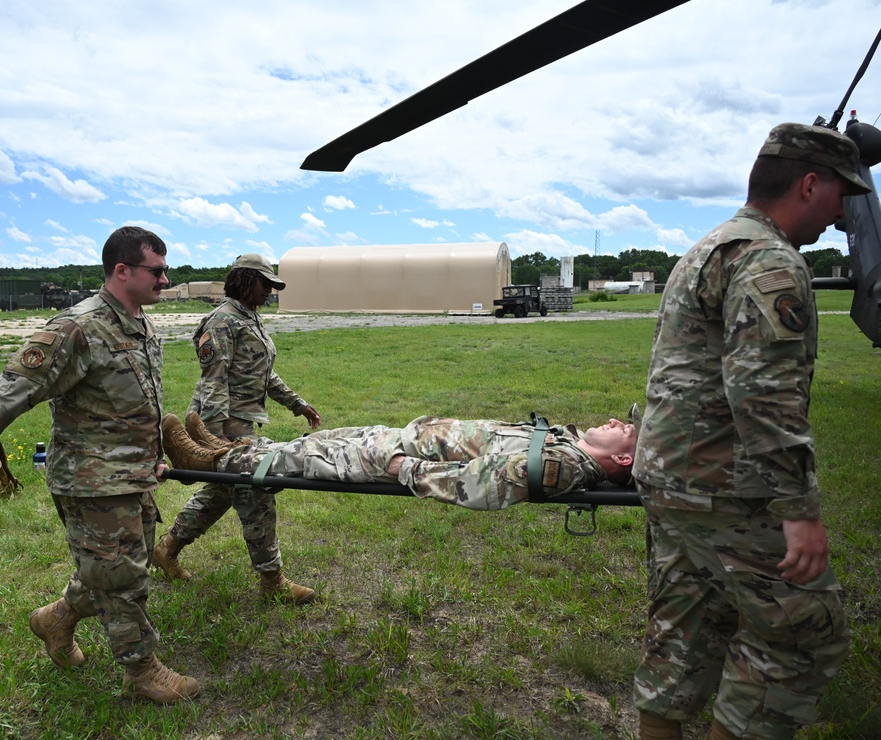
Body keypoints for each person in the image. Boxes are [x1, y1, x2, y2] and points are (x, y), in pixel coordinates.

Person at [631, 123, 869, 740]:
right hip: (726, 489)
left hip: (672, 479)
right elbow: (761, 391)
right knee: (799, 636)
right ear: (809, 184)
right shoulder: (770, 261)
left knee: (683, 630)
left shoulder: (711, 246)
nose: (844, 214)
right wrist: (799, 507)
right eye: (843, 194)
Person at [0, 226, 200, 705]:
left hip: (134, 477)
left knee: (113, 568)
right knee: (123, 580)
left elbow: (135, 407)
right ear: (122, 270)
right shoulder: (75, 327)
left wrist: (154, 459)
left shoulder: (141, 324)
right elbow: (11, 389)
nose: (166, 280)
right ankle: (144, 670)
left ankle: (55, 620)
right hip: (91, 482)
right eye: (158, 270)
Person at [153, 253, 321, 604]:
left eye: (273, 286)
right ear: (245, 280)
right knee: (256, 494)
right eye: (265, 284)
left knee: (222, 492)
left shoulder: (250, 318)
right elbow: (213, 380)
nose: (270, 292)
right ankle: (272, 581)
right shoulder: (222, 321)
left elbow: (263, 373)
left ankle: (166, 549)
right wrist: (214, 442)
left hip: (242, 420)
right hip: (222, 422)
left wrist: (297, 403)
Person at [160, 408, 639, 508]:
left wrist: (402, 469)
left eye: (626, 433)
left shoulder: (560, 465)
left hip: (394, 456)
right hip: (402, 437)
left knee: (301, 459)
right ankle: (225, 449)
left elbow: (476, 488)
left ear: (620, 463)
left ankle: (206, 464)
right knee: (307, 444)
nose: (619, 423)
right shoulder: (567, 443)